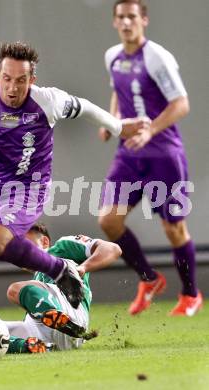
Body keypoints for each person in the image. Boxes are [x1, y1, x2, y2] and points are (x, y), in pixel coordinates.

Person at [0, 41, 148, 335]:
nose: (13, 88)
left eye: (21, 80)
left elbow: (86, 107)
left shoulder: (48, 101)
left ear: (32, 80)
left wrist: (119, 127)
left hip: (27, 188)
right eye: (7, 78)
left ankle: (60, 269)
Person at [98, 0, 203, 316]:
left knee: (173, 228)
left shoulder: (157, 57)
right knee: (108, 220)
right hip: (129, 154)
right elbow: (119, 90)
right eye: (121, 17)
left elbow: (181, 103)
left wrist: (150, 130)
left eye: (132, 16)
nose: (126, 22)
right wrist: (112, 122)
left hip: (163, 154)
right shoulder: (112, 57)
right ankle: (149, 278)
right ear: (115, 23)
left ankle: (190, 294)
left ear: (143, 19)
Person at [0, 222, 121, 355]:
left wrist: (83, 268)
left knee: (15, 290)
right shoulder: (37, 278)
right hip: (38, 331)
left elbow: (113, 249)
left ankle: (66, 323)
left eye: (22, 242)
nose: (16, 250)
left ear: (44, 241)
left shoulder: (62, 247)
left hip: (71, 310)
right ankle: (29, 346)